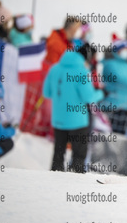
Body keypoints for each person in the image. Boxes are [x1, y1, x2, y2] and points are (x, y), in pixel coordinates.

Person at [43, 44, 104, 173]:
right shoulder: (82, 72)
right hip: (77, 121)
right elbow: (89, 97)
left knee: (58, 153)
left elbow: (46, 93)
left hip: (58, 120)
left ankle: (53, 179)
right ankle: (77, 182)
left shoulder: (54, 69)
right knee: (79, 154)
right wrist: (101, 93)